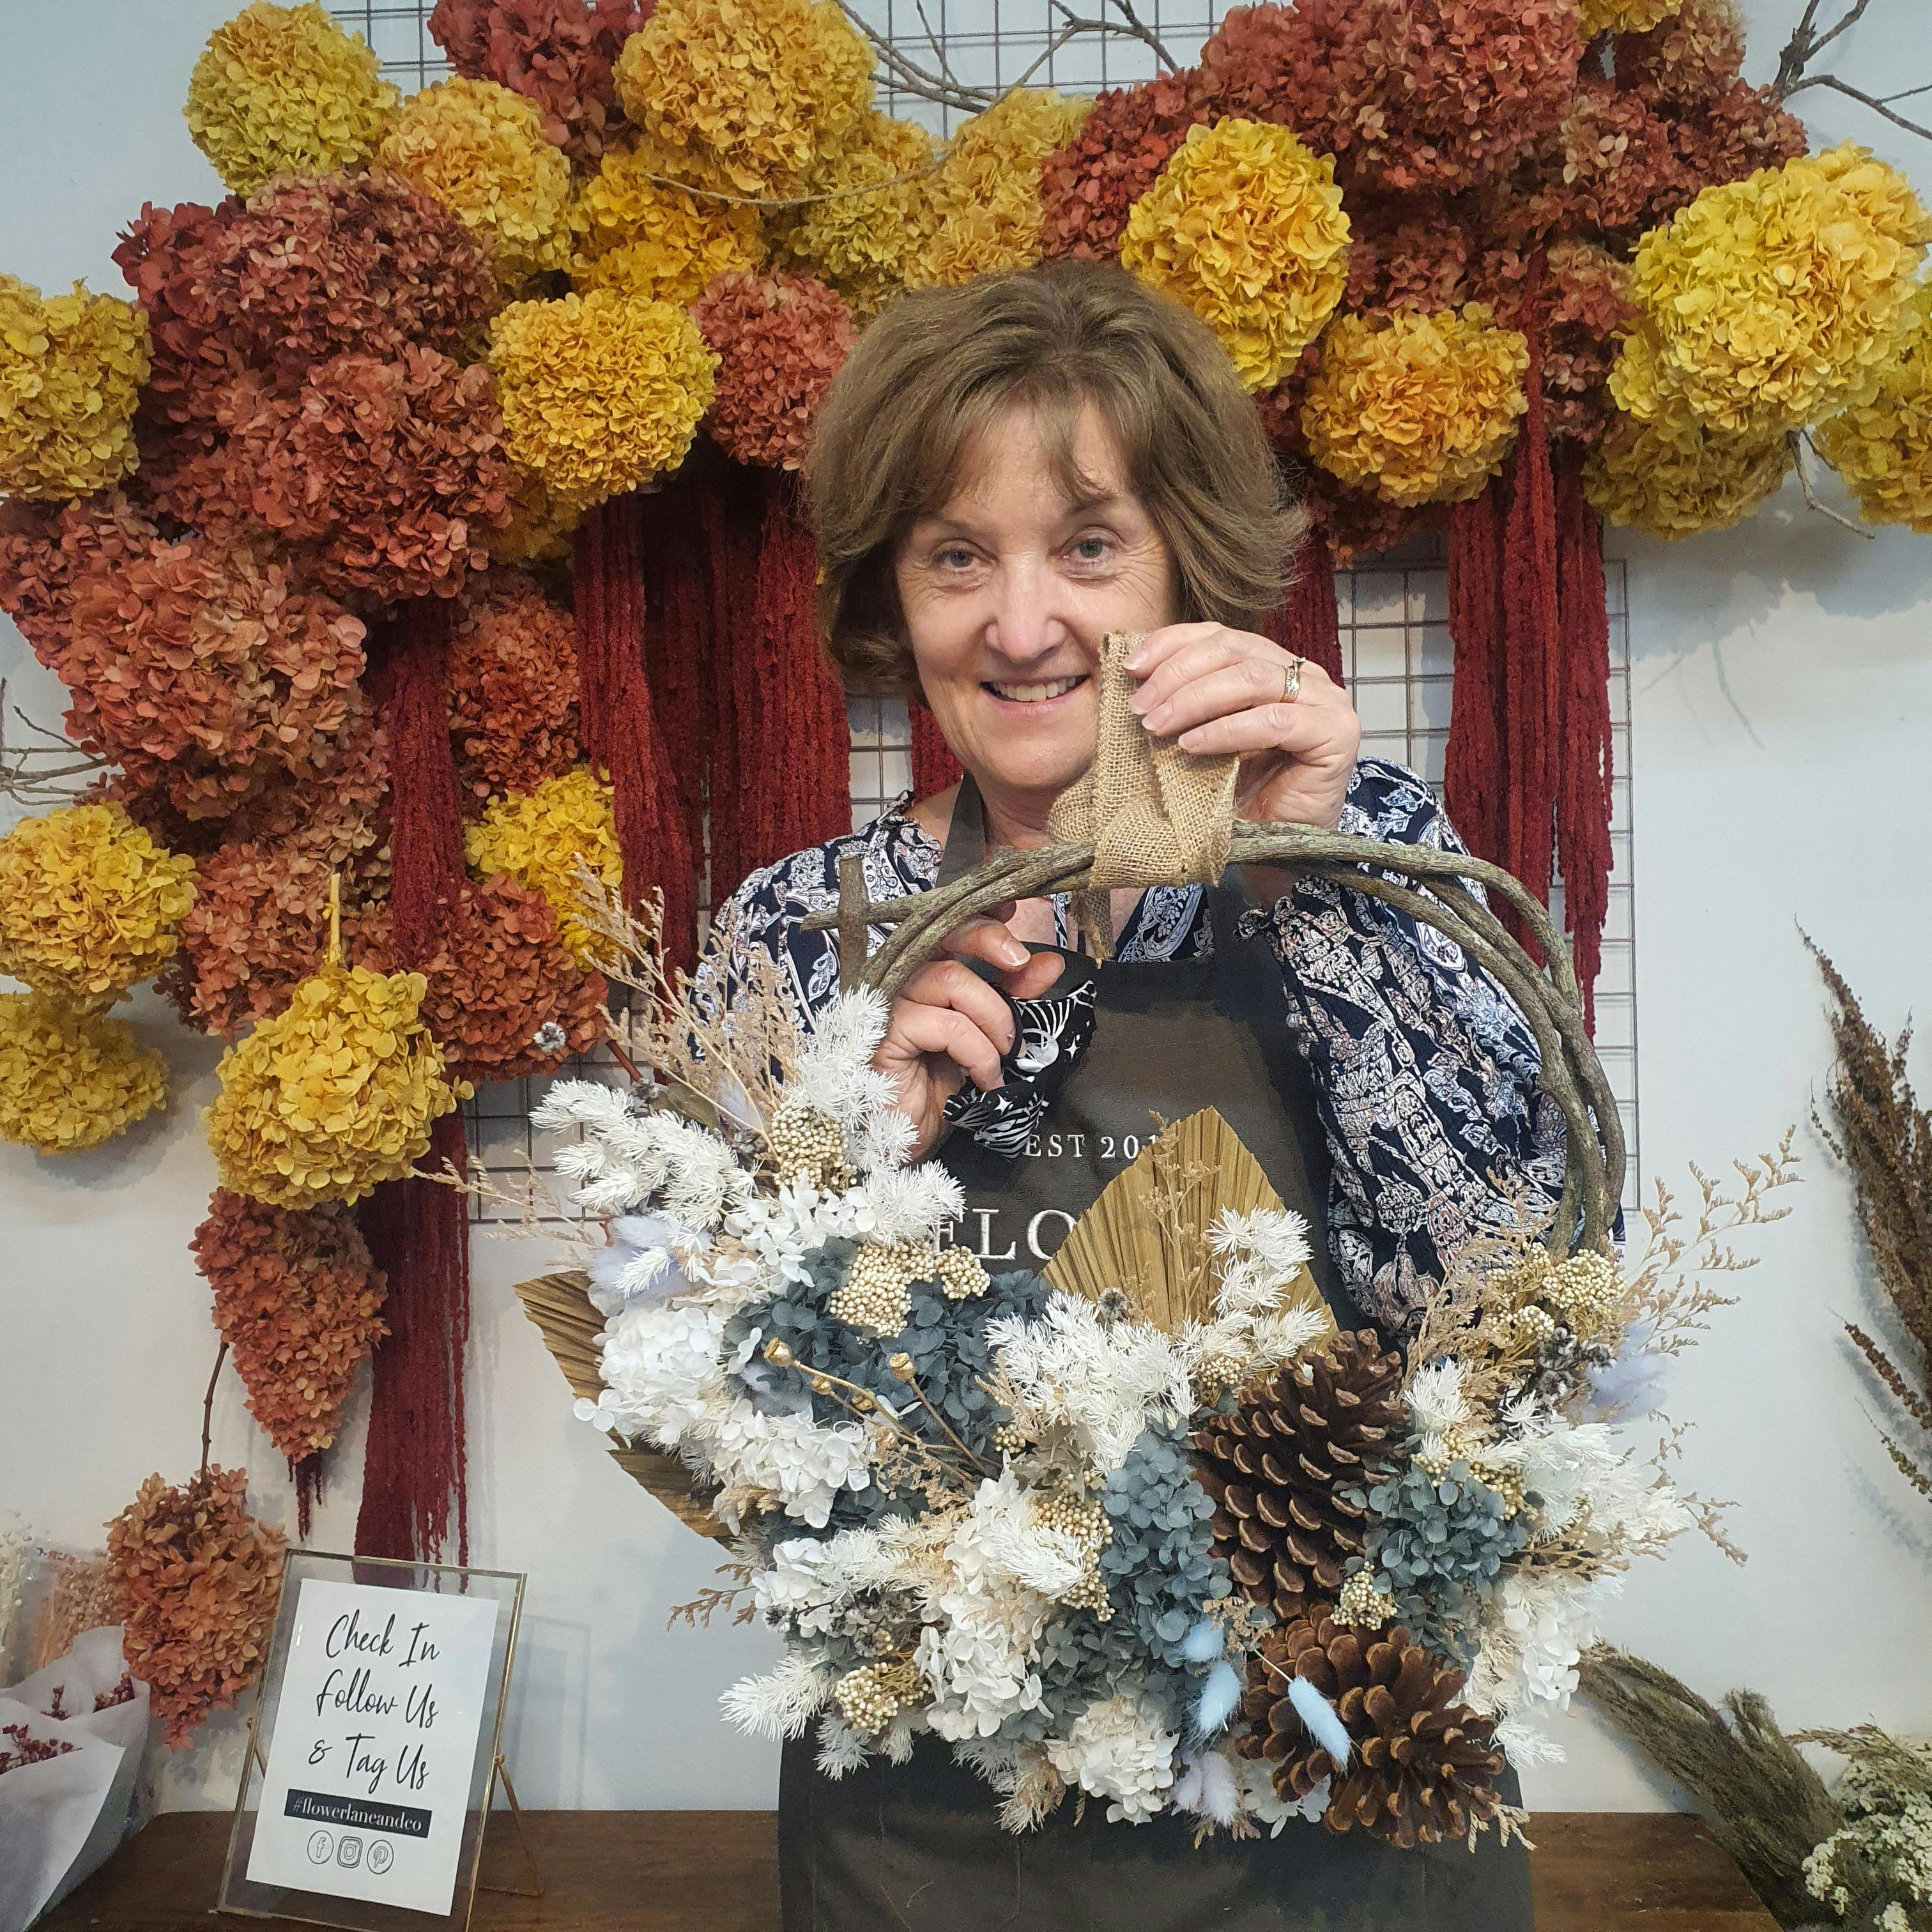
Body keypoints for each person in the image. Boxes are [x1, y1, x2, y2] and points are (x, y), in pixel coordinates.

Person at [702, 258, 1554, 1929]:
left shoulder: (1377, 860)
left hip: (1339, 1826)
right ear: (896, 589)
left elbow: (1517, 1311)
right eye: (960, 556)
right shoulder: (795, 935)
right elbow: (726, 1443)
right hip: (934, 1856)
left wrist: (1314, 881)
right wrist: (854, 1167)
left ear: (1186, 568)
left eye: (1087, 547)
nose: (1021, 628)